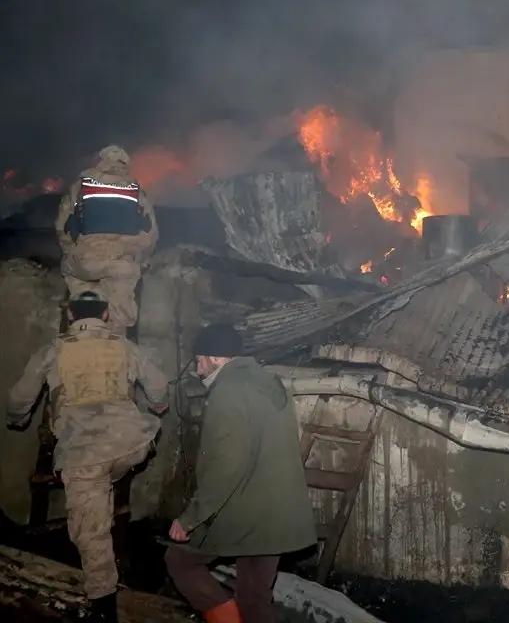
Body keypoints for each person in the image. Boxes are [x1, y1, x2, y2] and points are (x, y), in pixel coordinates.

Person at [4, 291, 168, 622]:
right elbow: (159, 385)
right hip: (132, 443)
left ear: (70, 316)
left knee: (88, 531)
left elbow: (21, 396)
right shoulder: (124, 345)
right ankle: (104, 517)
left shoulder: (55, 349)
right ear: (106, 316)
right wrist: (158, 405)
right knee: (100, 489)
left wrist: (17, 419)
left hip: (86, 451)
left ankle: (103, 606)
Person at [164, 324, 316, 623]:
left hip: (247, 512)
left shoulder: (228, 391)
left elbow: (225, 465)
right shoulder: (269, 382)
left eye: (200, 361)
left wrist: (191, 518)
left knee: (180, 561)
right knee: (254, 598)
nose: (197, 369)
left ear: (216, 359)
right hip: (277, 513)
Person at [56, 144, 159, 334]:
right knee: (118, 318)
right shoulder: (136, 192)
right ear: (125, 164)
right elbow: (150, 235)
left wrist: (73, 251)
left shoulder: (81, 187)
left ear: (101, 161)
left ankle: (80, 333)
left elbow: (62, 227)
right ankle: (114, 350)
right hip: (121, 265)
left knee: (81, 301)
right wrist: (138, 261)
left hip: (85, 263)